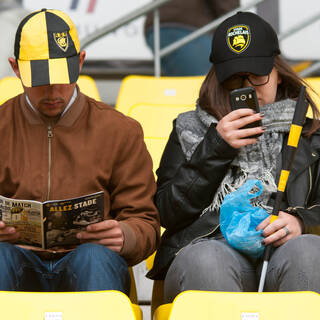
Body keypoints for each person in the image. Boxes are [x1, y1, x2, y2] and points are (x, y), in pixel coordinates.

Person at [147, 11, 320, 302]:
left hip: (284, 254)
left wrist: (302, 222)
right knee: (206, 260)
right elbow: (165, 212)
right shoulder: (190, 128)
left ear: (278, 72)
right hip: (210, 249)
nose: (248, 87)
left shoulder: (310, 134)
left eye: (258, 76)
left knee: (308, 251)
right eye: (235, 80)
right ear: (218, 80)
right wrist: (216, 147)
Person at [0, 8, 160, 293]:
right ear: (15, 68)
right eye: (39, 80)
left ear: (81, 62)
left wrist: (125, 235)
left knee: (94, 257)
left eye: (62, 76)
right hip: (13, 258)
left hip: (88, 261)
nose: (52, 92)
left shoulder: (119, 130)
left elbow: (146, 222)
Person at [144, 0, 239, 76]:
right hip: (187, 27)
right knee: (209, 88)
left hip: (160, 24)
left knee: (189, 91)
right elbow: (227, 7)